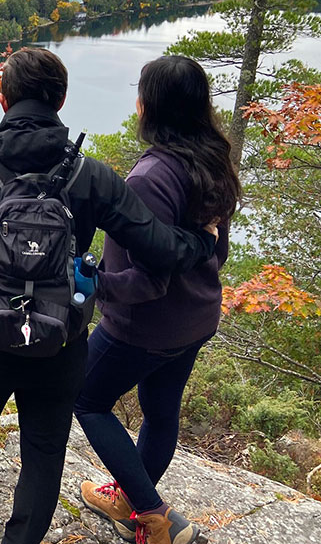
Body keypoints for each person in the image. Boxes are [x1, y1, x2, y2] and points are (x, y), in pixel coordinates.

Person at [0, 47, 219, 544]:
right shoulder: (92, 177)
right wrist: (203, 239)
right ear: (63, 100)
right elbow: (159, 248)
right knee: (45, 449)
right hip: (60, 341)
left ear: (4, 101)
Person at [73, 56, 239, 544]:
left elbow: (147, 283)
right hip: (196, 318)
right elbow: (217, 251)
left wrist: (93, 282)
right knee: (161, 410)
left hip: (144, 328)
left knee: (86, 397)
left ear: (149, 106)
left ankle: (153, 517)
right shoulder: (212, 160)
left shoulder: (148, 179)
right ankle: (129, 498)